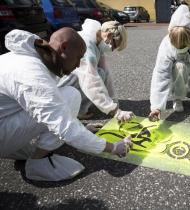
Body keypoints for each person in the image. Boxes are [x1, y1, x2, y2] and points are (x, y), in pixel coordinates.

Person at [0, 28, 133, 182]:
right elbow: (63, 124)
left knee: (64, 99)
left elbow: (52, 107)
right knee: (70, 96)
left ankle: (23, 150)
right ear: (63, 48)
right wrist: (113, 148)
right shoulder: (31, 72)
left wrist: (81, 128)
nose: (77, 65)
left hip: (5, 122)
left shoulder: (35, 57)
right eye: (78, 58)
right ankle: (37, 163)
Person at [149, 5, 190, 121]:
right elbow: (161, 75)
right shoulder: (166, 46)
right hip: (182, 68)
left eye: (185, 45)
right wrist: (157, 107)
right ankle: (178, 97)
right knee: (180, 66)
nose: (181, 48)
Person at [58, 19, 133, 122]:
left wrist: (114, 104)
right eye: (114, 46)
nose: (112, 50)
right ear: (109, 35)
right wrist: (114, 111)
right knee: (86, 76)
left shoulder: (97, 42)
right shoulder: (87, 46)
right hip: (57, 87)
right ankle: (76, 110)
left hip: (65, 82)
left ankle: (79, 106)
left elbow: (106, 73)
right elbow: (90, 81)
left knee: (100, 72)